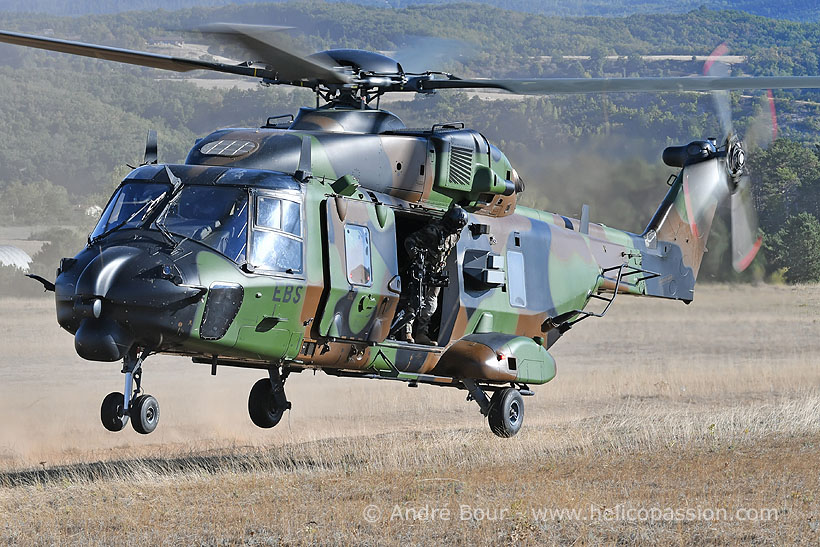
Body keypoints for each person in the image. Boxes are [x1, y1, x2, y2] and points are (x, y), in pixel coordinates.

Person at [398, 205, 468, 345]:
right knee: (413, 301)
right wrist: (417, 257)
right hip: (421, 270)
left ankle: (422, 333)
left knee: (431, 303)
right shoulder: (433, 231)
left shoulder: (455, 235)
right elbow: (410, 241)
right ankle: (406, 331)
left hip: (435, 272)